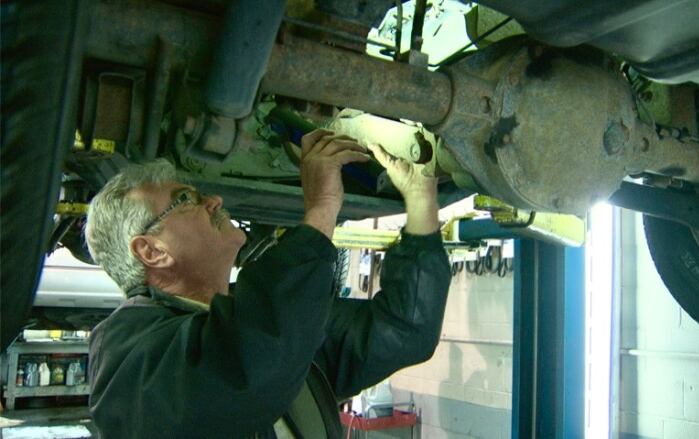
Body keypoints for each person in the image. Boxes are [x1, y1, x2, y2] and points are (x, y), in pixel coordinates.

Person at [85, 129, 451, 438]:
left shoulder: (271, 328)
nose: (213, 201)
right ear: (152, 250)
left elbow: (404, 330)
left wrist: (421, 200)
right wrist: (321, 207)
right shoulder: (126, 359)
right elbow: (246, 369)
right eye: (184, 199)